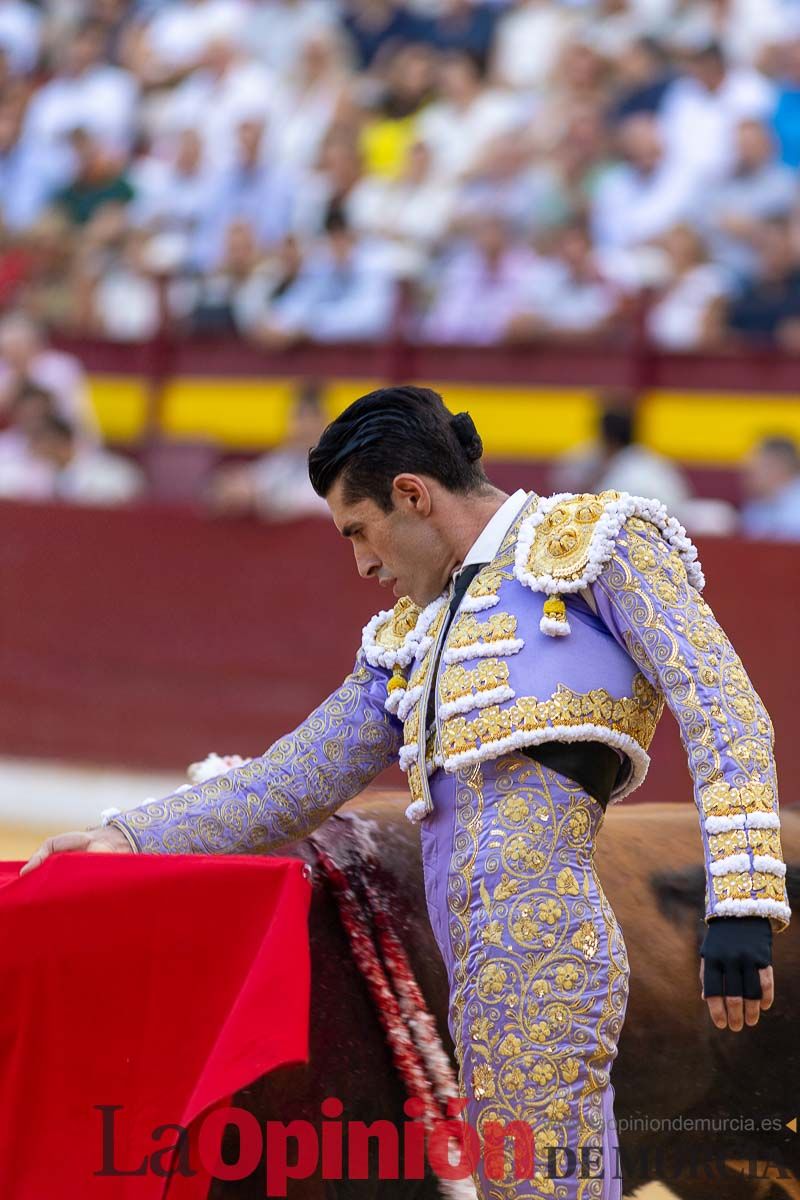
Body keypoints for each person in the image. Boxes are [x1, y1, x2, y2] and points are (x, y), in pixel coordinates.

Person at [23, 387, 791, 1198]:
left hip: (543, 936)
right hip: (467, 959)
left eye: (359, 530)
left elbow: (725, 710)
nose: (362, 562)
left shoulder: (594, 545)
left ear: (412, 495)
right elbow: (298, 774)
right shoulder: (410, 633)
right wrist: (132, 838)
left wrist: (742, 901)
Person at [740, 436, 800, 540]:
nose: (747, 477)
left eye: (756, 468)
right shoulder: (755, 506)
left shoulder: (795, 511)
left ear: (779, 466)